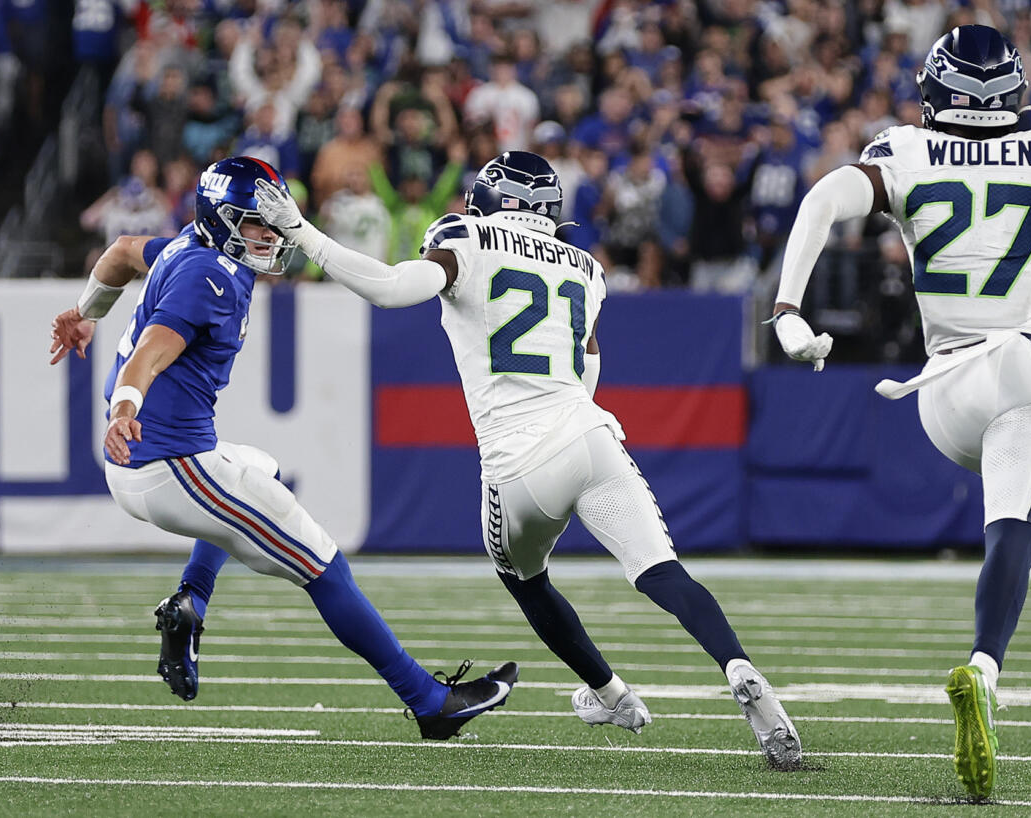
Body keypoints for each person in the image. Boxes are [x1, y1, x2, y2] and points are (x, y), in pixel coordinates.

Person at [252, 150, 802, 771]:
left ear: (495, 198)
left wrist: (301, 231)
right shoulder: (586, 267)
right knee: (662, 570)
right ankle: (738, 666)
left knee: (523, 577)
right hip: (591, 434)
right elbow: (588, 360)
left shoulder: (464, 236)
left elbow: (391, 288)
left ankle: (611, 694)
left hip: (517, 461)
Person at [47, 156, 517, 741]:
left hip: (159, 462)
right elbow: (148, 354)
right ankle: (430, 703)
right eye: (255, 224)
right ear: (222, 221)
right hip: (167, 464)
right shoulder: (210, 276)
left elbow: (119, 251)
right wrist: (124, 409)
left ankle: (190, 604)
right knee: (323, 564)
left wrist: (87, 314)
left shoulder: (189, 248)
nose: (270, 236)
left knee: (258, 466)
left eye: (273, 223)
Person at [769, 26, 1031, 798]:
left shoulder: (904, 151)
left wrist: (788, 308)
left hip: (940, 392)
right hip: (1020, 364)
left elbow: (824, 197)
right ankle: (986, 668)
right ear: (1013, 91)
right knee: (1025, 500)